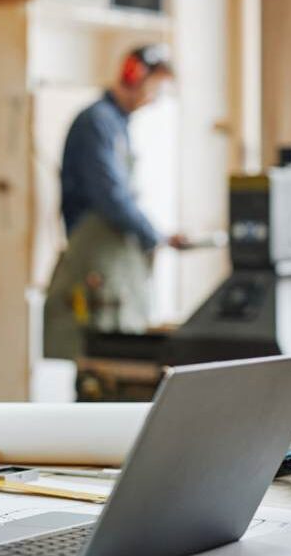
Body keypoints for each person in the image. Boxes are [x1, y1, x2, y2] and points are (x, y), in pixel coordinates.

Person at [43, 44, 185, 360]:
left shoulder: (117, 125)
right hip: (95, 260)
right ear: (134, 76)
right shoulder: (97, 122)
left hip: (110, 262)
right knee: (97, 360)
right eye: (155, 89)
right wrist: (153, 235)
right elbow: (111, 196)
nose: (154, 100)